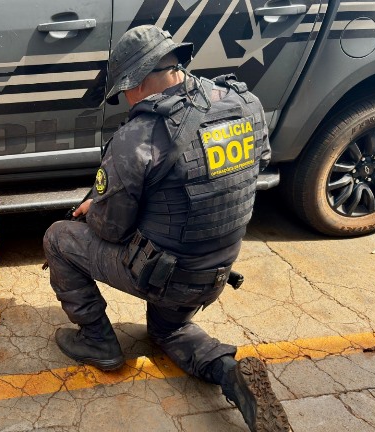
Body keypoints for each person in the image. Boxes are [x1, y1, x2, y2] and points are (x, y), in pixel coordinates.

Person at [42, 25, 290, 432]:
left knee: (58, 237)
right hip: (214, 272)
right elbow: (250, 168)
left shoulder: (138, 136)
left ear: (137, 82)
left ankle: (98, 342)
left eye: (124, 90)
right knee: (169, 331)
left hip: (166, 275)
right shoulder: (243, 102)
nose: (125, 99)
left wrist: (96, 208)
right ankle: (230, 373)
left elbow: (110, 230)